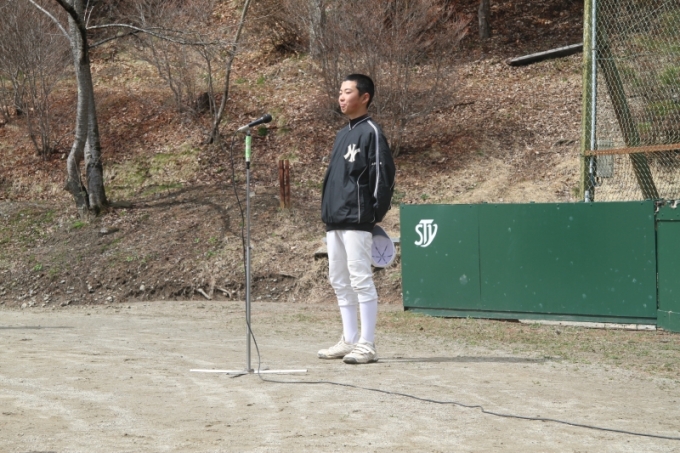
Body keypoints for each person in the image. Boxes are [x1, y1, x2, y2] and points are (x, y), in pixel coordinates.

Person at [318, 74, 396, 364]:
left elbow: (383, 177)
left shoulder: (371, 132)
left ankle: (367, 343)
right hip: (335, 219)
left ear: (365, 97)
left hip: (358, 219)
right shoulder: (342, 134)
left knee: (360, 278)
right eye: (340, 91)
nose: (341, 97)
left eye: (348, 91)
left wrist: (373, 215)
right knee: (339, 279)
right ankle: (349, 338)